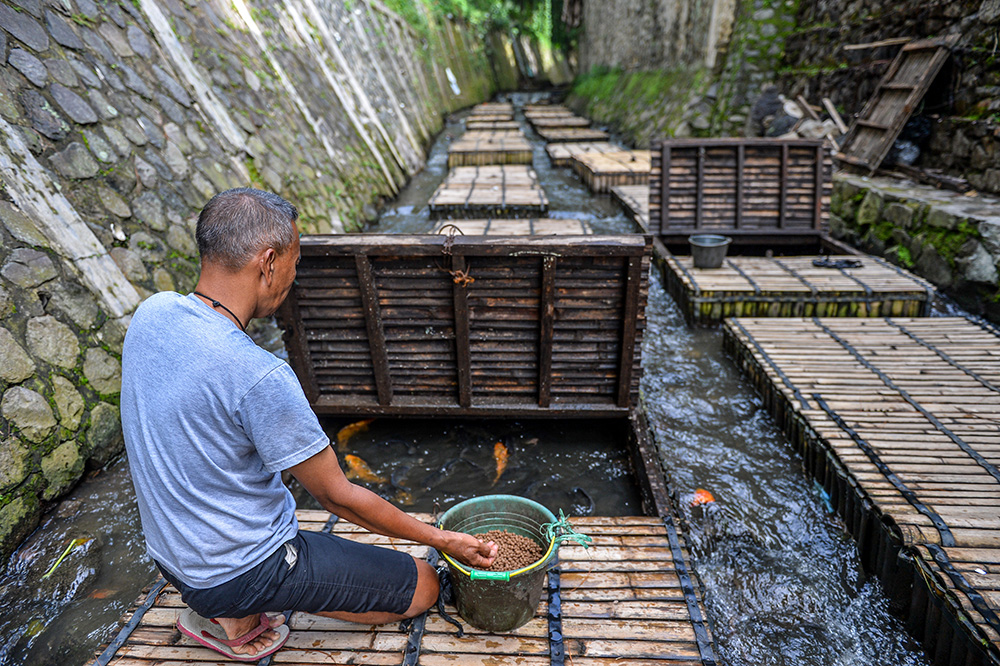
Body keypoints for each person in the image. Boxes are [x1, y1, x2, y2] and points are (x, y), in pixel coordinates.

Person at [121, 188, 497, 661]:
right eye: (295, 262)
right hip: (242, 570)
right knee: (421, 587)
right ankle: (237, 606)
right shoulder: (259, 374)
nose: (295, 277)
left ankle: (226, 614)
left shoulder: (152, 314)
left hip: (173, 560)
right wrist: (444, 539)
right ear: (269, 261)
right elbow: (337, 496)